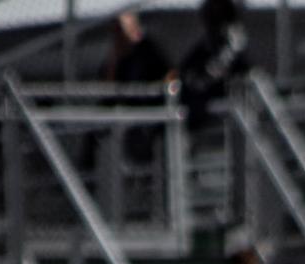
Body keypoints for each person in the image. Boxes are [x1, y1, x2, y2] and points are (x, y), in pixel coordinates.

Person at [102, 9, 173, 168]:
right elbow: (109, 90)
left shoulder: (148, 49)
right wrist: (115, 57)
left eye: (121, 30)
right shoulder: (120, 58)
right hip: (129, 118)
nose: (118, 36)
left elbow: (168, 75)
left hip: (150, 115)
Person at [179, 0, 249, 134]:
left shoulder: (232, 47)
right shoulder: (204, 49)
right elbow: (187, 70)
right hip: (203, 96)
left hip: (227, 93)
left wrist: (231, 50)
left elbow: (234, 68)